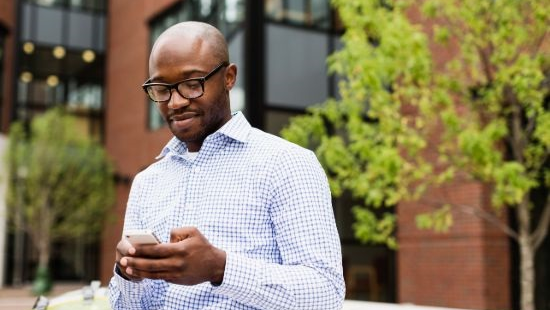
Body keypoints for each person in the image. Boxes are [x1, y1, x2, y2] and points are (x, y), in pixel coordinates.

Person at [109, 21, 345, 310]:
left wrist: (220, 268)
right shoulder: (147, 182)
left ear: (229, 77)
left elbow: (326, 293)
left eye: (192, 84)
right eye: (162, 89)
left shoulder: (287, 164)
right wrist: (127, 273)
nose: (175, 102)